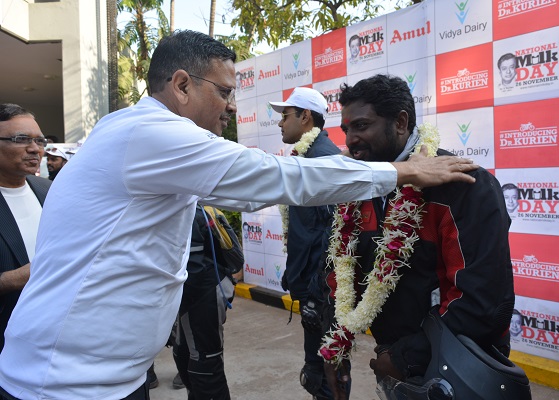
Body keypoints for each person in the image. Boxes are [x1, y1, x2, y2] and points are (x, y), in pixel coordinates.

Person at [0, 31, 477, 400]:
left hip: (104, 376)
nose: (231, 107)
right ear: (182, 85)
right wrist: (402, 171)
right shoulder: (149, 134)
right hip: (62, 382)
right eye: (225, 91)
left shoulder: (136, 131)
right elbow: (276, 178)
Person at [322, 75, 515, 399]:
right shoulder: (358, 187)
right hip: (392, 362)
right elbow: (341, 274)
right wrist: (336, 346)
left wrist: (404, 359)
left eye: (362, 126)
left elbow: (484, 302)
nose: (351, 140)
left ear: (400, 122)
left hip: (461, 368)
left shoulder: (464, 185)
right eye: (346, 129)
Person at [269, 87, 340, 400]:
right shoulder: (306, 157)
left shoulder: (322, 160)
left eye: (285, 116)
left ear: (305, 117)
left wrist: (316, 293)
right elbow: (309, 231)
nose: (279, 123)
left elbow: (334, 236)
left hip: (322, 294)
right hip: (313, 290)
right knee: (318, 371)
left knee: (325, 372)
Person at [172, 205, 243, 399]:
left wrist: (168, 310)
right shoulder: (177, 208)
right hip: (198, 293)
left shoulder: (187, 212)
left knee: (206, 362)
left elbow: (193, 271)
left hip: (205, 292)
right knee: (185, 354)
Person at [0, 104, 51, 351]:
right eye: (21, 139)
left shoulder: (49, 189)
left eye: (39, 141)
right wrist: (11, 280)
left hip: (52, 336)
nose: (34, 148)